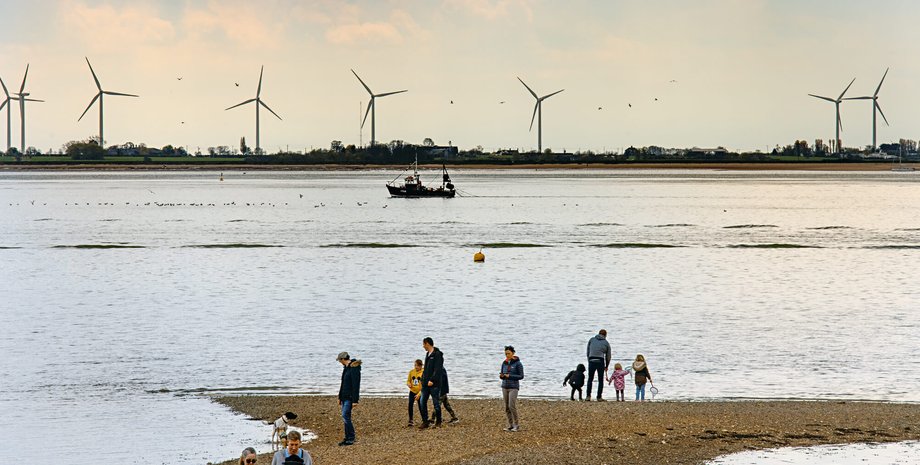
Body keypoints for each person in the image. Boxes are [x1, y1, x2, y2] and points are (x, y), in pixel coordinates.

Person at [337, 351, 362, 445]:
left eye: (340, 361)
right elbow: (343, 383)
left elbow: (356, 385)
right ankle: (347, 437)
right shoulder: (346, 368)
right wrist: (340, 397)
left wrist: (355, 400)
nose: (340, 362)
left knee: (345, 416)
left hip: (350, 397)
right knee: (345, 417)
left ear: (343, 359)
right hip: (344, 396)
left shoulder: (354, 368)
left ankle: (351, 437)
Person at [419, 337, 444, 428]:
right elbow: (426, 369)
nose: (423, 346)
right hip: (425, 384)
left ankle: (438, 422)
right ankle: (425, 421)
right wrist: (422, 379)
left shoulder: (437, 354)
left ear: (428, 344)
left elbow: (438, 369)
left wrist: (432, 380)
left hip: (434, 384)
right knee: (422, 402)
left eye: (424, 344)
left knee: (436, 403)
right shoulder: (427, 354)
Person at [499, 345, 524, 432]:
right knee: (506, 407)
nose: (507, 355)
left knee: (511, 406)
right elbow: (502, 374)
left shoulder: (518, 364)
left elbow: (521, 376)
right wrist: (502, 376)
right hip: (504, 386)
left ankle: (516, 425)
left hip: (514, 387)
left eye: (508, 353)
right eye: (506, 354)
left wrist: (510, 376)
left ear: (513, 353)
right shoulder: (504, 363)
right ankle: (510, 425)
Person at [586, 329, 612, 401]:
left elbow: (588, 351)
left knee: (590, 379)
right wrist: (607, 366)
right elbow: (608, 356)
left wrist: (589, 360)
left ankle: (588, 396)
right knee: (600, 380)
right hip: (600, 360)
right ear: (605, 335)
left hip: (591, 359)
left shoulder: (591, 340)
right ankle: (599, 397)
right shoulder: (606, 343)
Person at [406, 359, 423, 426]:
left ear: (421, 366)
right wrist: (408, 384)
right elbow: (408, 381)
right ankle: (411, 420)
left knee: (421, 406)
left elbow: (425, 385)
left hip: (420, 392)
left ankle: (424, 419)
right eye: (415, 365)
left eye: (418, 366)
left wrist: (420, 393)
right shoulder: (411, 372)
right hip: (412, 391)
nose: (416, 367)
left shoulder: (423, 372)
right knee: (410, 404)